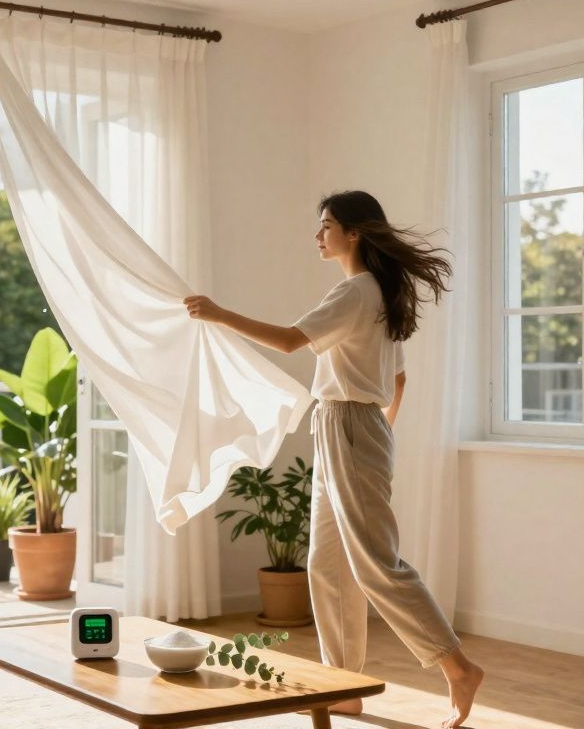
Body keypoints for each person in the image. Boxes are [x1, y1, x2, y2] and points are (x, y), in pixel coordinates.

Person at [183, 190, 483, 729]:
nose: (317, 235)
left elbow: (290, 341)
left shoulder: (356, 291)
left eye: (326, 226)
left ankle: (456, 666)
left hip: (347, 424)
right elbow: (399, 378)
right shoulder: (380, 292)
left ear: (355, 233)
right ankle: (343, 690)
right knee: (327, 564)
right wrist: (376, 431)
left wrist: (219, 313)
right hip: (345, 425)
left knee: (374, 563)